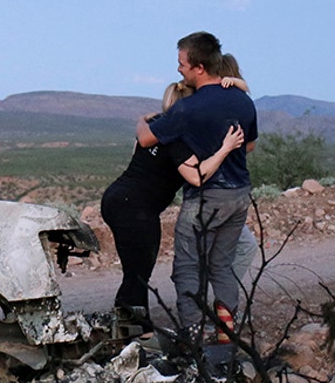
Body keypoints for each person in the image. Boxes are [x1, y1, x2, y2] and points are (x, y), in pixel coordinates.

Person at [137, 32, 258, 337]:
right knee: (222, 265)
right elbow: (250, 145)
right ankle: (225, 333)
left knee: (188, 267)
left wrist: (144, 120)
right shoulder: (243, 101)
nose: (179, 69)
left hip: (205, 198)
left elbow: (145, 139)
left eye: (182, 63)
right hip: (240, 194)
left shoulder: (188, 108)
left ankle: (192, 335)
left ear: (199, 67)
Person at [100, 82, 243, 334]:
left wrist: (142, 120)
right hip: (136, 208)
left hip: (118, 198)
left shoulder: (155, 125)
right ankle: (133, 335)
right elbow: (197, 176)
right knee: (138, 275)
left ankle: (130, 329)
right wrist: (225, 148)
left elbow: (141, 138)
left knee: (135, 271)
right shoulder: (178, 138)